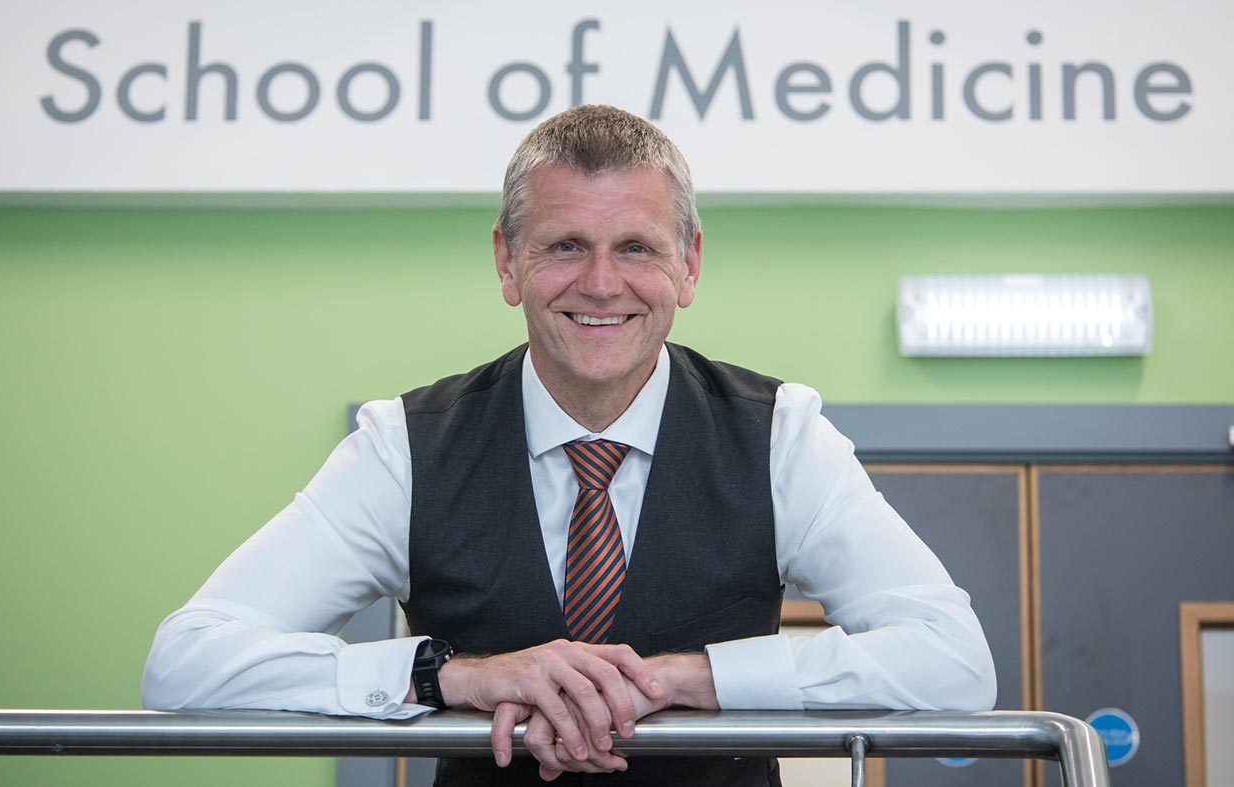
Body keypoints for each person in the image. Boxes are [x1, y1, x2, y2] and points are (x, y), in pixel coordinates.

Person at [142, 105, 995, 786]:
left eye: (636, 247)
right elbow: (187, 661)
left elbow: (954, 661)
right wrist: (455, 678)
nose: (601, 283)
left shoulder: (782, 435)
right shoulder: (402, 446)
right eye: (565, 246)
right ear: (507, 261)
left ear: (689, 265)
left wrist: (686, 680)